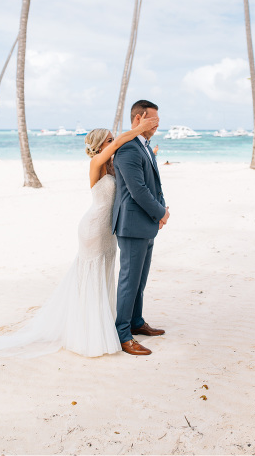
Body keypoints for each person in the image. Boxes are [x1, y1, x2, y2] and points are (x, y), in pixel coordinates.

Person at [0, 115, 159, 358]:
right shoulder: (96, 163)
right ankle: (88, 330)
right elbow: (120, 142)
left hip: (108, 231)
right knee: (91, 276)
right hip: (93, 229)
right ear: (99, 145)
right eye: (109, 140)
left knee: (103, 276)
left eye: (112, 139)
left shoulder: (114, 164)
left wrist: (149, 154)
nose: (114, 142)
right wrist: (139, 129)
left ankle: (105, 323)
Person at [112, 100, 169, 356]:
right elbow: (138, 190)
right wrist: (161, 212)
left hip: (147, 223)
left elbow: (155, 185)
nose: (157, 124)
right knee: (129, 281)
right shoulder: (128, 149)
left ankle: (136, 322)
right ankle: (123, 335)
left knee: (140, 281)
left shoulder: (145, 146)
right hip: (132, 224)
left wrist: (162, 209)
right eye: (153, 120)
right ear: (139, 118)